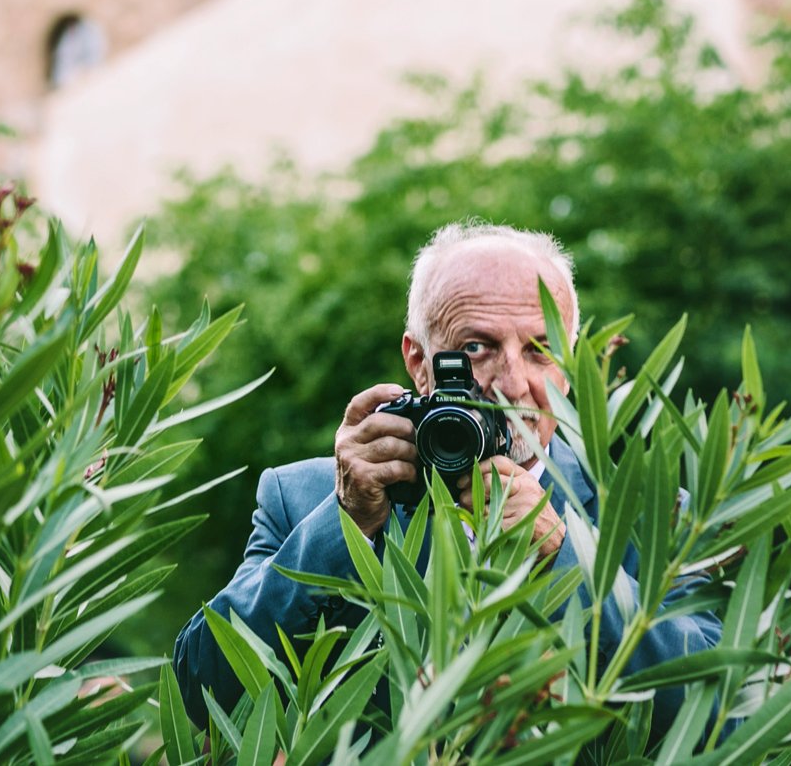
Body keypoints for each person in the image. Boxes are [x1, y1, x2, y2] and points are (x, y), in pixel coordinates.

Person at [171, 222, 723, 733]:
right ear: (418, 361)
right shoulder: (302, 498)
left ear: (570, 365)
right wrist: (343, 529)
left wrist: (567, 564)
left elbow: (722, 718)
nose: (510, 384)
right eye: (477, 347)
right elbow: (199, 692)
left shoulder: (651, 516)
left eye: (539, 350)